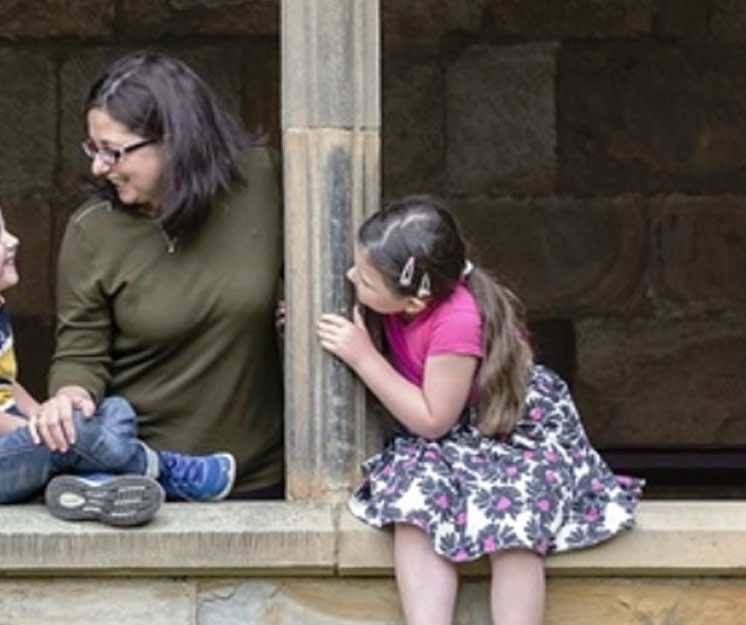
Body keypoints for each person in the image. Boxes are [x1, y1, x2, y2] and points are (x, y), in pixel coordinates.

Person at [316, 196, 643, 624]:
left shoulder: (457, 321)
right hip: (451, 432)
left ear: (414, 301)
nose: (349, 277)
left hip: (507, 430)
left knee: (515, 521)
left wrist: (364, 359)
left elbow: (434, 420)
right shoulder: (406, 294)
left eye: (365, 279)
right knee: (411, 503)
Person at [0, 182, 229, 525]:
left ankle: (93, 485)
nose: (13, 240)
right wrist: (36, 430)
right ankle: (162, 470)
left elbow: (2, 384)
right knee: (70, 434)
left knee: (113, 410)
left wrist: (44, 415)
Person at [36, 52, 282, 500]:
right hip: (140, 483)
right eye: (93, 149)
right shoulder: (92, 231)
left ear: (175, 140)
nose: (98, 167)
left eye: (113, 151)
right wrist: (69, 401)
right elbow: (81, 352)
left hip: (262, 477)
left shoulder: (265, 182)